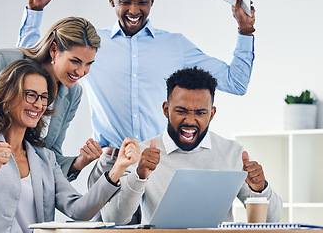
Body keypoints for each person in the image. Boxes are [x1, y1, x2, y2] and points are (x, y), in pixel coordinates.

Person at [18, 0, 256, 155]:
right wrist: (35, 10)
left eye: (143, 1)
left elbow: (236, 82)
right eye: (125, 1)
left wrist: (245, 30)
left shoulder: (176, 46)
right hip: (110, 165)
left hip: (160, 163)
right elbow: (32, 65)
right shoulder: (91, 46)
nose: (134, 10)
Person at [0, 59, 141, 233]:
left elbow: (79, 210)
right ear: (7, 94)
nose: (39, 105)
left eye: (44, 97)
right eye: (31, 95)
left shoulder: (44, 158)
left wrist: (118, 169)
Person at [89, 67, 282, 224]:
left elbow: (272, 220)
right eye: (181, 111)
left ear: (212, 113)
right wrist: (139, 176)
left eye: (200, 113)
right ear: (166, 109)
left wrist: (260, 188)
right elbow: (114, 219)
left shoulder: (232, 153)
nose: (190, 121)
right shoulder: (141, 154)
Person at [0, 16, 102, 191]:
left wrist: (77, 163)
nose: (81, 72)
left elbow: (49, 154)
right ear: (53, 49)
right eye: (75, 61)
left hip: (23, 187)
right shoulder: (3, 62)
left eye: (88, 64)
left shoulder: (73, 93)